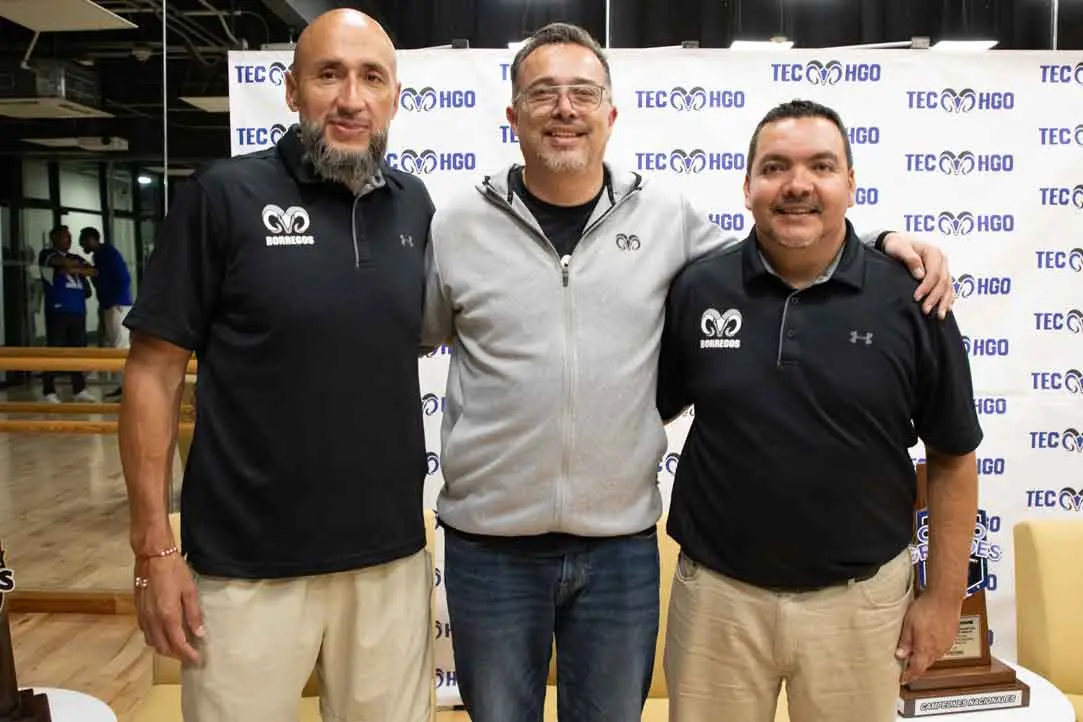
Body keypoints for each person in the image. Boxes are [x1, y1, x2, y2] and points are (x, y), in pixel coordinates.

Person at [420, 23, 956, 722]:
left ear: (611, 114)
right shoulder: (456, 223)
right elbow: (414, 333)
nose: (564, 108)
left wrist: (881, 240)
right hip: (488, 549)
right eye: (543, 93)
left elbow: (785, 239)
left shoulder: (666, 218)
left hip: (617, 550)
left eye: (583, 93)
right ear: (512, 114)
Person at [118, 9, 436, 722]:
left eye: (371, 78)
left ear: (394, 97)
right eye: (328, 75)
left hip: (387, 563)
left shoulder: (414, 205)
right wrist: (153, 549)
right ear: (291, 90)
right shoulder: (222, 196)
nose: (350, 98)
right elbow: (152, 373)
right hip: (244, 569)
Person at [656, 99, 982, 722]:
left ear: (851, 185)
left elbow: (952, 456)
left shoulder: (913, 298)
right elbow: (645, 412)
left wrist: (944, 600)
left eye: (821, 166)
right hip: (719, 604)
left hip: (861, 608)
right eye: (775, 167)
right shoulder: (699, 289)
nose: (798, 185)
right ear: (747, 187)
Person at [38, 224, 97, 403]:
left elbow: (92, 270)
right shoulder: (47, 255)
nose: (69, 240)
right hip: (57, 310)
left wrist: (70, 269)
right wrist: (76, 268)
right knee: (54, 350)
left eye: (70, 237)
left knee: (77, 350)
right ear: (55, 239)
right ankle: (49, 391)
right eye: (65, 237)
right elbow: (59, 263)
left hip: (77, 310)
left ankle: (79, 389)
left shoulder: (74, 257)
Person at [79, 226, 133, 399]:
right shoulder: (100, 255)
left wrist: (117, 300)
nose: (80, 244)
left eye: (83, 240)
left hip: (117, 304)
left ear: (91, 239)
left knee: (121, 346)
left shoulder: (107, 253)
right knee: (116, 345)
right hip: (110, 304)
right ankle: (122, 386)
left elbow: (122, 278)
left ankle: (129, 389)